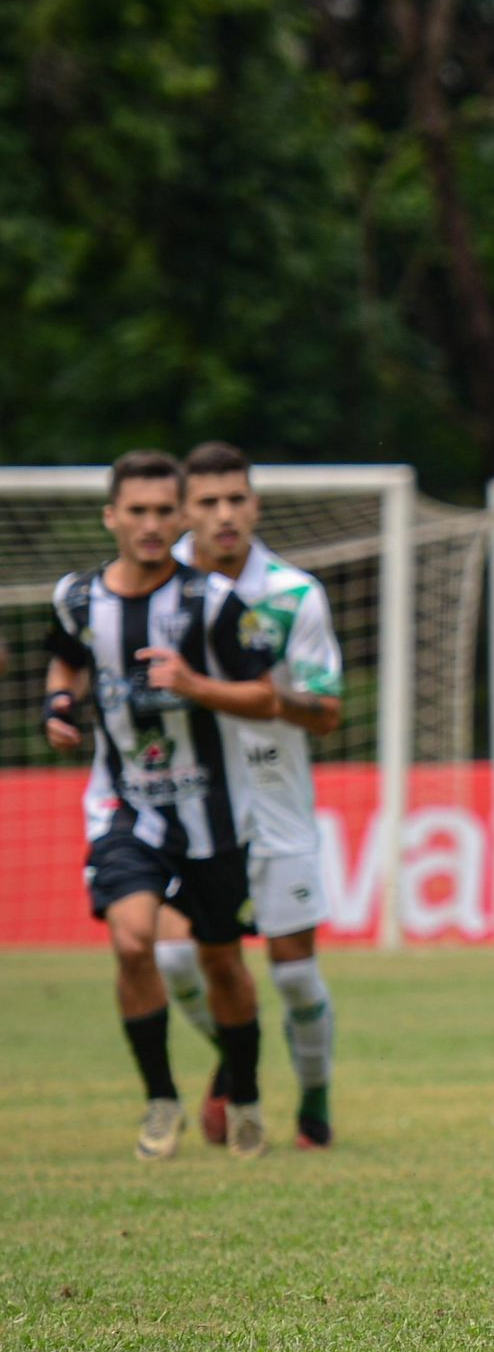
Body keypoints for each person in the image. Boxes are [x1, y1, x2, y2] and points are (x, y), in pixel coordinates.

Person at [42, 450, 283, 1158]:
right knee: (132, 939)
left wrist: (195, 684)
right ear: (111, 516)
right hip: (125, 805)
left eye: (161, 512)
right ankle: (160, 1099)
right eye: (136, 511)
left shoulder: (212, 602)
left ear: (180, 518)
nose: (150, 525)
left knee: (222, 966)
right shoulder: (79, 598)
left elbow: (266, 694)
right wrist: (60, 702)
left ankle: (243, 1092)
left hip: (213, 808)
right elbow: (68, 658)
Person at [160, 442, 347, 1149]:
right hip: (184, 801)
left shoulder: (293, 594)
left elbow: (325, 712)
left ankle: (316, 1103)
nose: (224, 513)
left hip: (275, 798)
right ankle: (240, 1053)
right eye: (207, 502)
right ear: (185, 511)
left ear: (255, 504)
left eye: (236, 498)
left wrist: (271, 698)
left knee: (296, 976)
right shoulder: (154, 589)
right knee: (177, 961)